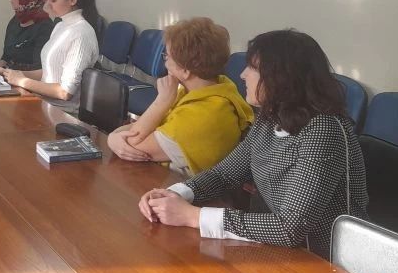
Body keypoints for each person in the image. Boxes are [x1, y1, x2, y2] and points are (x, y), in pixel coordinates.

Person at [137, 29, 368, 257]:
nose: (242, 74)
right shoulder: (270, 117)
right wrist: (174, 194)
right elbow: (224, 174)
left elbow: (290, 228)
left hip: (325, 262)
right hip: (277, 252)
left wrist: (192, 216)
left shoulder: (323, 130)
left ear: (281, 77)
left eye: (253, 68)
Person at [108, 17, 254, 176]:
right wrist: (114, 137)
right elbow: (139, 128)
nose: (165, 63)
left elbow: (132, 146)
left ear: (185, 71)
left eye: (167, 56)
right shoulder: (213, 88)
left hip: (177, 186)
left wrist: (161, 102)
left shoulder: (203, 114)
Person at [0, 0, 99, 112]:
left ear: (72, 0)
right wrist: (8, 73)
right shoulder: (60, 26)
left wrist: (22, 81)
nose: (47, 5)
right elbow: (46, 72)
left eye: (53, 0)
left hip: (64, 112)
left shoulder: (81, 33)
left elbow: (65, 92)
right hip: (43, 103)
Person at [0, 0, 54, 71]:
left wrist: (6, 73)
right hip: (8, 75)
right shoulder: (16, 20)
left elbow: (39, 69)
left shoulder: (45, 28)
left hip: (27, 79)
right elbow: (6, 56)